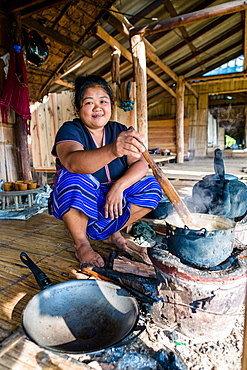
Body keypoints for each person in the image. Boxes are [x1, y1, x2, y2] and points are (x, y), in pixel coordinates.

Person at [50, 75, 162, 267]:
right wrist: (113, 150)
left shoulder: (119, 130)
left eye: (103, 101)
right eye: (89, 102)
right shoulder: (70, 130)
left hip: (112, 199)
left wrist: (119, 186)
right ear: (78, 108)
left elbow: (142, 163)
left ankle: (110, 231)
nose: (97, 107)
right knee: (73, 178)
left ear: (111, 105)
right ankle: (82, 243)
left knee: (152, 187)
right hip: (83, 199)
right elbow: (72, 162)